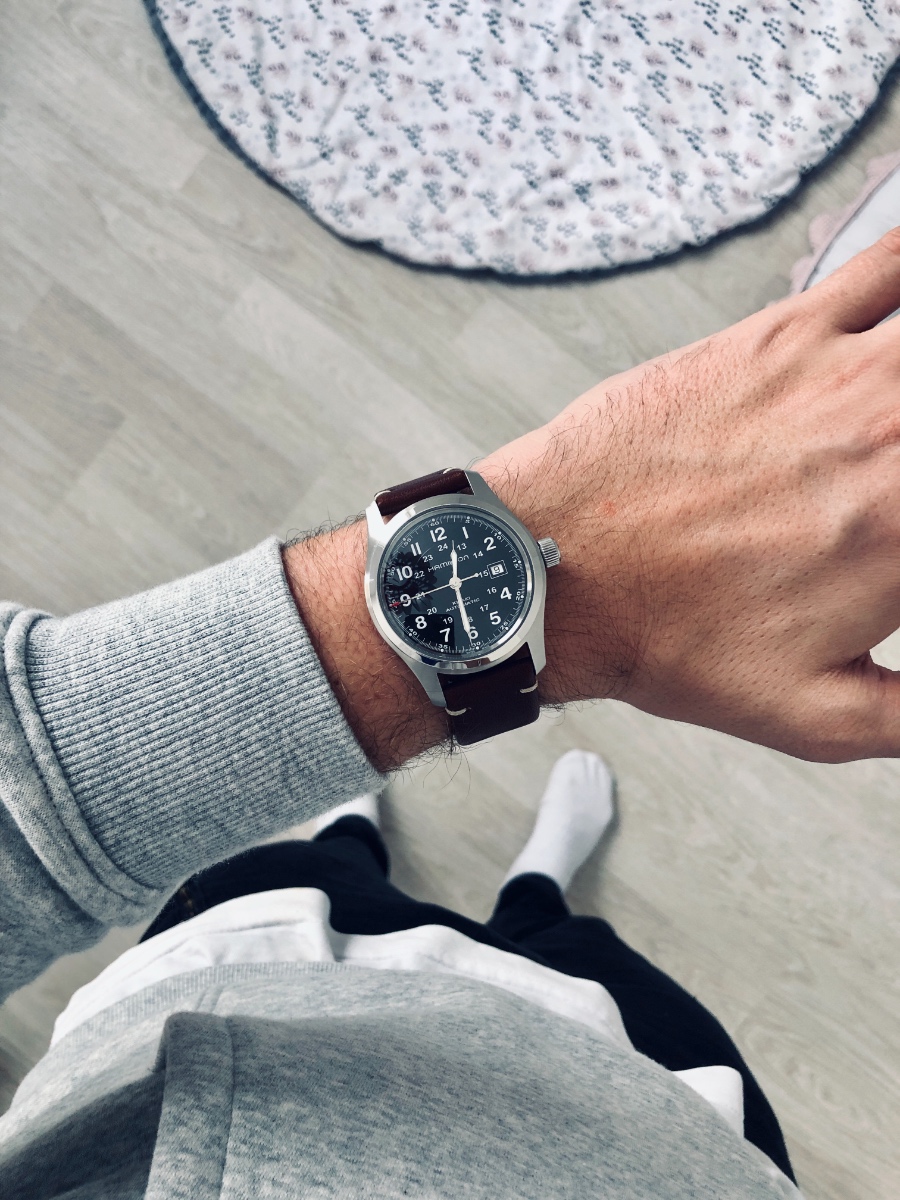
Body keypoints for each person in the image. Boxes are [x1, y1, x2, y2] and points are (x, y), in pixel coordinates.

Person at [3, 227, 900, 1197]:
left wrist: (530, 552)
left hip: (238, 968)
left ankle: (350, 828)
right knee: (567, 940)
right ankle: (536, 887)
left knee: (324, 867)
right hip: (649, 1098)